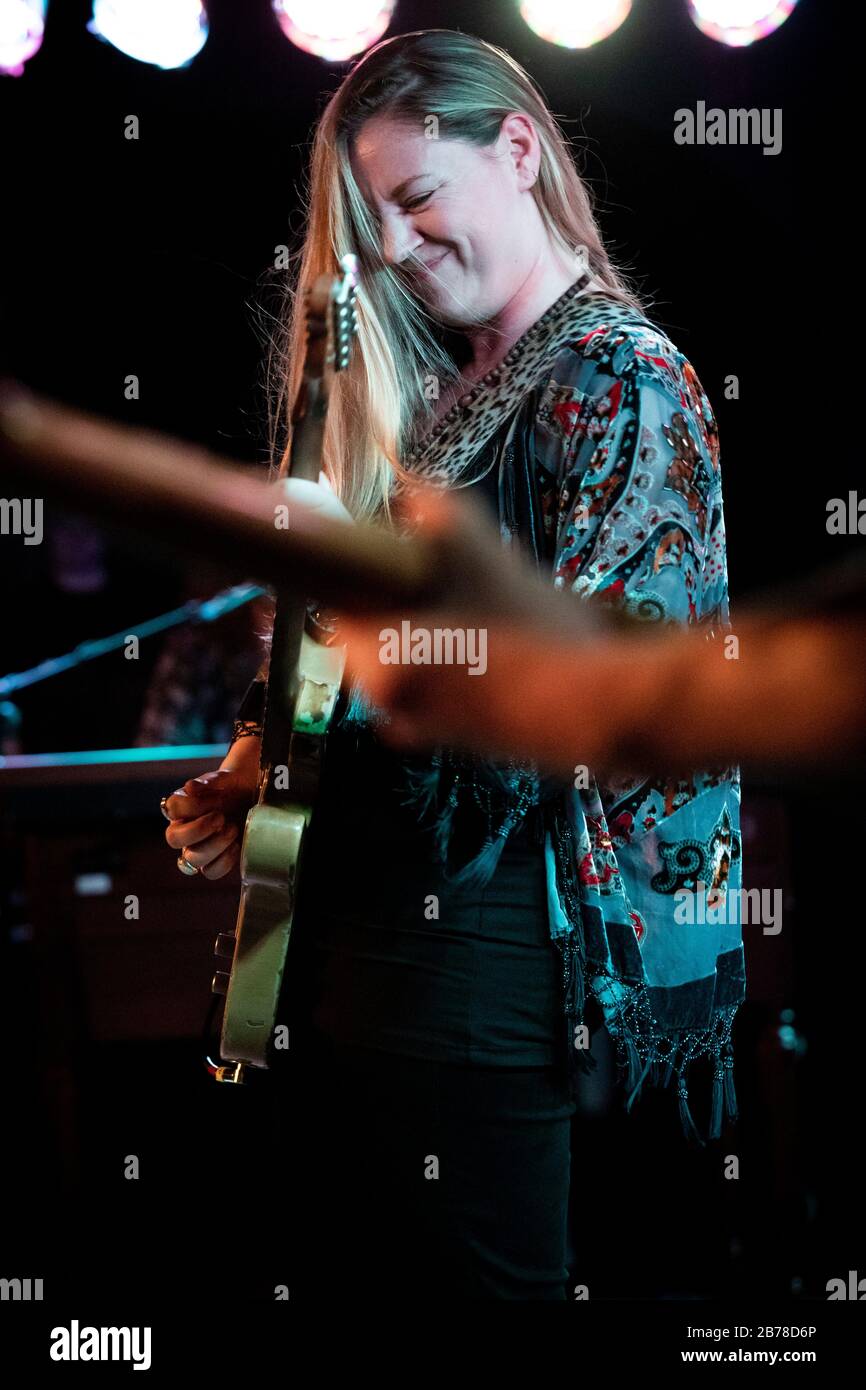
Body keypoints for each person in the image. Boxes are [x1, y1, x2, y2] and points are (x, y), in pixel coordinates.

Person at [160, 29, 745, 1300]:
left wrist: (358, 718)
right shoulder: (433, 401)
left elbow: (609, 691)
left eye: (419, 200)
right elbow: (355, 665)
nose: (406, 252)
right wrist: (264, 762)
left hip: (489, 962)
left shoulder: (624, 378)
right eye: (377, 235)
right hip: (357, 951)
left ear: (519, 149)